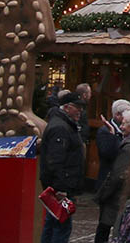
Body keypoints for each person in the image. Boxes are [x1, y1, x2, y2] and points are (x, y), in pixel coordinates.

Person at [94, 109, 130, 243]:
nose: (121, 127)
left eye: (124, 124)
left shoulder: (129, 147)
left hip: (119, 196)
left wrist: (103, 195)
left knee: (105, 230)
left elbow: (118, 175)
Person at [40, 92, 86, 243]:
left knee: (52, 223)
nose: (80, 111)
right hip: (60, 187)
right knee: (60, 226)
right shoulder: (61, 128)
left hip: (60, 185)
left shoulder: (63, 125)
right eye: (77, 107)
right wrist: (60, 188)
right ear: (66, 107)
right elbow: (55, 161)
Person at [95, 98, 130, 192]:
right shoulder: (104, 131)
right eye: (127, 114)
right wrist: (113, 135)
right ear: (117, 115)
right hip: (109, 179)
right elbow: (107, 153)